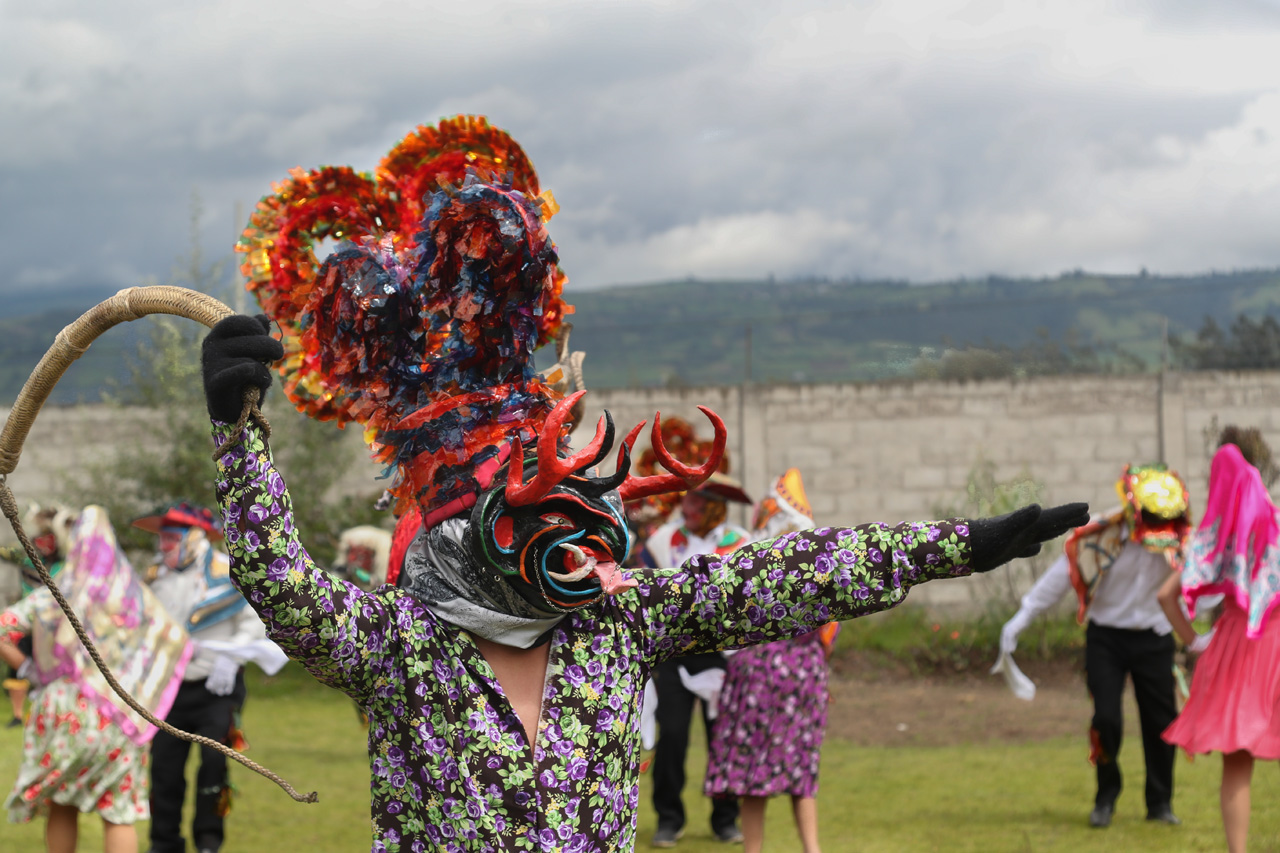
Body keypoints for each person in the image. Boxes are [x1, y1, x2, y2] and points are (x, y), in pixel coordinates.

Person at [204, 113, 1089, 851]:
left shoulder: (619, 625)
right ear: (461, 526)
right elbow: (283, 586)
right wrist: (239, 432)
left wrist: (963, 546)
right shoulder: (403, 649)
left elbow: (791, 575)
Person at [998, 463, 1190, 828]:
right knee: (1106, 719)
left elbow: (1200, 584)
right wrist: (1023, 616)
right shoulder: (1101, 534)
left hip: (1154, 638)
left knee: (1162, 722)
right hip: (1107, 638)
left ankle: (1160, 803)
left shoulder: (1177, 541)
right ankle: (1105, 798)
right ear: (1135, 512)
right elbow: (1062, 576)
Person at [0, 506, 190, 853]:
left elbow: (3, 627)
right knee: (118, 812)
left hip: (64, 711)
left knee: (61, 801)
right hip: (121, 712)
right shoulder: (133, 599)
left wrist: (27, 667)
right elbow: (174, 639)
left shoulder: (56, 594)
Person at [704, 468, 839, 853]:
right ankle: (811, 850)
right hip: (805, 672)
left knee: (753, 775)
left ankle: (754, 851)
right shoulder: (821, 563)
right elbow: (832, 626)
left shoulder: (752, 560)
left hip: (757, 673)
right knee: (802, 771)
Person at [1160, 427, 1280, 853]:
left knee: (1237, 766)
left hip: (1233, 650)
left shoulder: (1213, 539)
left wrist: (1195, 641)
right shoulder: (1274, 525)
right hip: (1274, 645)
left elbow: (1166, 596)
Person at [133, 501, 277, 853]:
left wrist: (231, 658)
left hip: (218, 688)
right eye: (162, 538)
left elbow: (253, 624)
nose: (163, 545)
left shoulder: (227, 571)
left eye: (171, 537)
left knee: (214, 765)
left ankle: (209, 841)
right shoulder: (155, 577)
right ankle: (164, 843)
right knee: (165, 769)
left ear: (194, 537)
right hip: (168, 690)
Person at [644, 473, 753, 846]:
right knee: (672, 736)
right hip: (674, 654)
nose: (685, 507)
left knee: (723, 740)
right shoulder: (662, 540)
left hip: (722, 657)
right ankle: (668, 820)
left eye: (694, 501)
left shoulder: (740, 543)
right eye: (686, 500)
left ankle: (726, 820)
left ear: (713, 506)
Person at [0, 504, 74, 728]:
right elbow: (4, 551)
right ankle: (17, 714)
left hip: (55, 626)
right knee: (17, 668)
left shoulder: (66, 563)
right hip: (27, 621)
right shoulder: (26, 557)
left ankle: (51, 711)